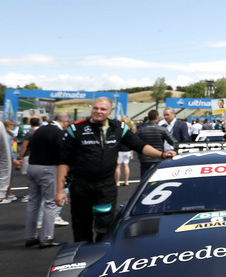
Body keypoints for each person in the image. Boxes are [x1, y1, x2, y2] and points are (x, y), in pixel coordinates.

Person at [56, 97, 174, 244]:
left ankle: (101, 255)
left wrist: (161, 154)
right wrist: (60, 190)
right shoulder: (76, 129)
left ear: (110, 111)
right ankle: (82, 257)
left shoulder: (118, 128)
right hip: (81, 186)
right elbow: (63, 161)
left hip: (106, 187)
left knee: (105, 226)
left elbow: (140, 146)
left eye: (103, 109)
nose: (98, 111)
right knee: (81, 226)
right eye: (96, 108)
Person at [23, 112, 73, 248]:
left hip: (32, 166)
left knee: (33, 202)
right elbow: (62, 153)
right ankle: (46, 238)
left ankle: (30, 235)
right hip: (48, 169)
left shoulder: (40, 129)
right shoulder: (57, 132)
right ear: (65, 122)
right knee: (51, 203)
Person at [136, 110, 176, 180]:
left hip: (145, 159)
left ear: (148, 118)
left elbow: (135, 143)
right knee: (158, 181)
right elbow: (173, 142)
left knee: (144, 182)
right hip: (159, 158)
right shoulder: (162, 129)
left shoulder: (141, 130)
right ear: (157, 117)